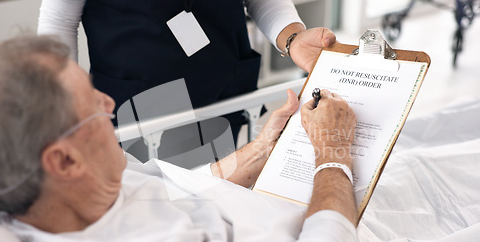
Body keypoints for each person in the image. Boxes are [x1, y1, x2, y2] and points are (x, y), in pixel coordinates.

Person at [0, 36, 357, 242]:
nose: (110, 104)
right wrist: (333, 150)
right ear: (64, 161)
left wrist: (262, 149)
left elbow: (177, 189)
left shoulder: (81, 180)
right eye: (92, 105)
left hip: (276, 207)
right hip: (331, 237)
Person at [37, 0, 337, 163]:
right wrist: (64, 108)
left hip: (224, 95)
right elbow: (58, 22)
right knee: (154, 207)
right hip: (138, 102)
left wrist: (293, 37)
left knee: (220, 199)